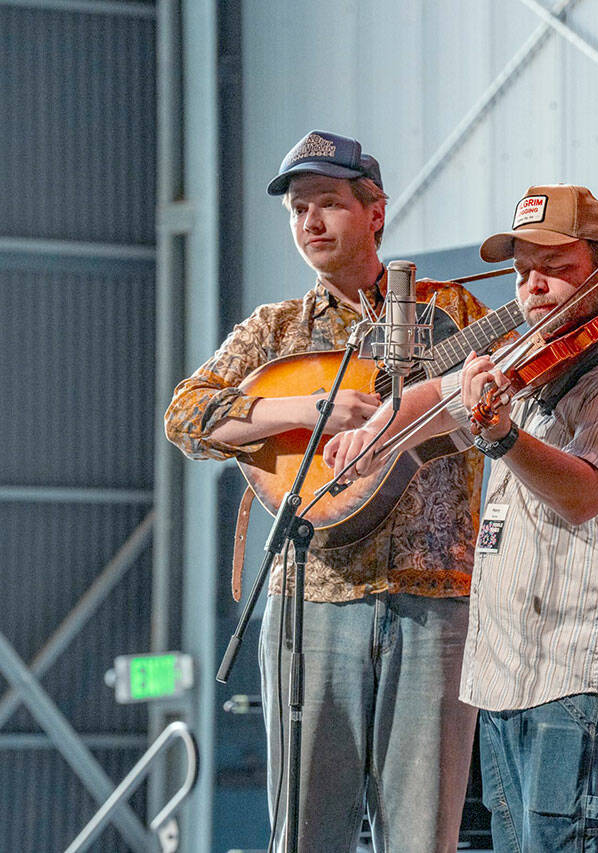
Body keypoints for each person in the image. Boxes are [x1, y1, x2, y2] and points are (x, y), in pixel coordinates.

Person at [325, 184, 598, 852]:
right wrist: (372, 434)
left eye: (556, 267)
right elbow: (433, 398)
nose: (535, 284)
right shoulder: (523, 359)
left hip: (582, 679)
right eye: (524, 268)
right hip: (506, 682)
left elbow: (582, 493)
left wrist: (501, 436)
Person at [164, 130, 487, 852]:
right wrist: (303, 411)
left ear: (374, 212)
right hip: (310, 601)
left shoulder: (452, 313)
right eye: (298, 208)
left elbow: (503, 395)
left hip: (435, 600)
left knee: (421, 836)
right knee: (306, 834)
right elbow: (185, 414)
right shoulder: (275, 330)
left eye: (329, 203)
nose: (310, 221)